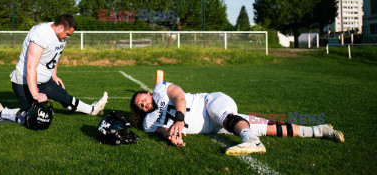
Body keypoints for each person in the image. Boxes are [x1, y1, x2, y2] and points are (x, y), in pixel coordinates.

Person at [130, 81, 344, 155]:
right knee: (269, 127)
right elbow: (162, 131)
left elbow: (179, 94)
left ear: (149, 93)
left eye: (144, 99)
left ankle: (251, 142)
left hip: (210, 103)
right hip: (215, 127)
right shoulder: (149, 123)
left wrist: (178, 118)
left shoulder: (160, 89)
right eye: (140, 106)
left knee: (223, 116)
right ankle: (320, 130)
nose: (144, 104)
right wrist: (172, 136)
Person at [0, 14, 108, 125]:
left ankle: (94, 110)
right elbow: (30, 66)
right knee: (36, 117)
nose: (68, 37)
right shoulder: (42, 34)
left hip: (44, 79)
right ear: (60, 27)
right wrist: (35, 93)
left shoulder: (60, 35)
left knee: (64, 97)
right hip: (24, 82)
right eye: (68, 34)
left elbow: (55, 55)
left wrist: (54, 75)